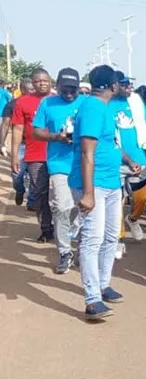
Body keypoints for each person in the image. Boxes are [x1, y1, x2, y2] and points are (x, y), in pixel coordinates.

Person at [70, 65, 135, 320]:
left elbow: (110, 145)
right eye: (120, 82)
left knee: (111, 237)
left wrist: (128, 162)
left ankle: (103, 284)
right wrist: (88, 193)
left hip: (110, 182)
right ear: (112, 84)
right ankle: (92, 298)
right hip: (93, 185)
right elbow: (87, 152)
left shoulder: (104, 108)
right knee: (92, 240)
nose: (122, 86)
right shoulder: (93, 108)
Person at [31, 68, 84, 274]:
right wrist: (56, 137)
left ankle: (82, 249)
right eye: (65, 89)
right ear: (57, 85)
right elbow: (36, 131)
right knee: (62, 208)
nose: (69, 94)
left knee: (82, 210)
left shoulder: (86, 103)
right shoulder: (47, 103)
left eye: (73, 89)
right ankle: (65, 252)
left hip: (84, 165)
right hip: (59, 165)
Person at [111, 72, 146, 259]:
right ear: (114, 85)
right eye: (124, 84)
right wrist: (127, 160)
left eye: (130, 84)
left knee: (142, 197)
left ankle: (133, 219)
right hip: (115, 162)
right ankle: (118, 239)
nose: (129, 88)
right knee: (116, 202)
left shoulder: (136, 102)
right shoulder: (107, 104)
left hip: (139, 158)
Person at [12, 68, 54, 242]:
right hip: (35, 155)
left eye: (45, 80)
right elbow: (18, 129)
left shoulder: (58, 100)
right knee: (39, 194)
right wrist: (14, 155)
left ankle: (64, 227)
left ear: (50, 81)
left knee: (62, 195)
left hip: (58, 155)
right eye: (38, 81)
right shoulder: (22, 102)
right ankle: (46, 229)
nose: (42, 83)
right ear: (33, 83)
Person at [2, 80, 34, 207]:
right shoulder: (12, 105)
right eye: (29, 89)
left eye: (33, 89)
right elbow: (5, 124)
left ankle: (31, 201)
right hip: (20, 144)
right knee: (17, 174)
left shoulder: (40, 104)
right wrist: (2, 144)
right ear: (22, 90)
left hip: (35, 144)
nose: (32, 91)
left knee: (34, 174)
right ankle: (20, 191)